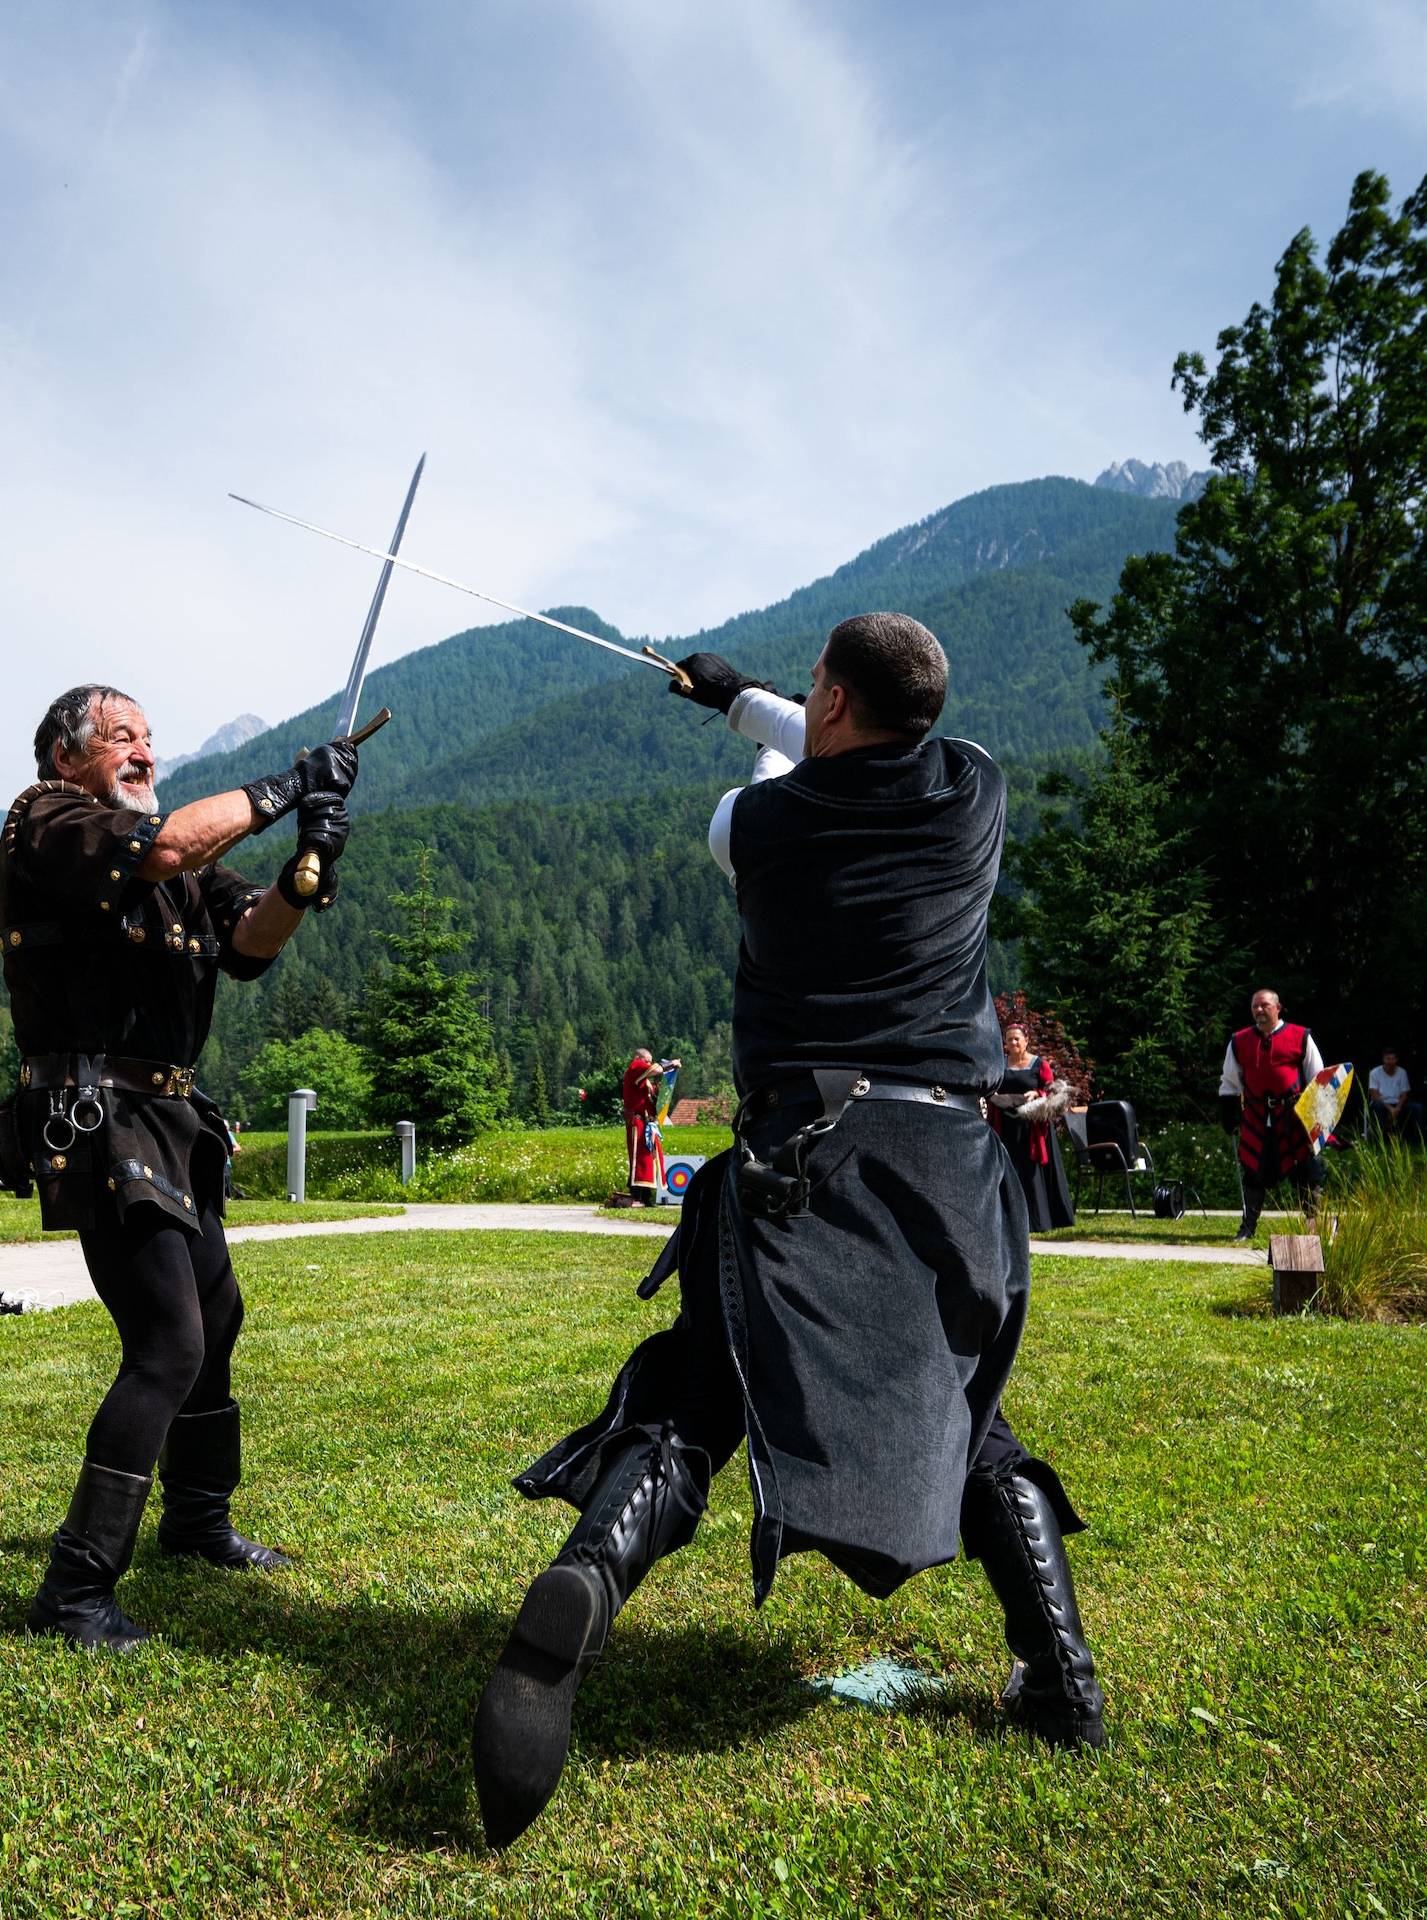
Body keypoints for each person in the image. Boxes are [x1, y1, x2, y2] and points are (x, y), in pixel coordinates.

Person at [471, 616, 1103, 1849]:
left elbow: (782, 777)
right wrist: (750, 697)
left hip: (810, 1156)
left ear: (832, 698)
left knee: (706, 1386)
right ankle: (1062, 1678)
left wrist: (735, 705)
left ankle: (591, 1574)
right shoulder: (974, 789)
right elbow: (846, 743)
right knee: (961, 1400)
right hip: (952, 1164)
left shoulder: (755, 825)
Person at [0, 683, 358, 1652]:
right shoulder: (49, 820)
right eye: (121, 737)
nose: (144, 752)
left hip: (170, 1119)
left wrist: (307, 869)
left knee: (217, 1317)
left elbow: (249, 943)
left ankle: (196, 1522)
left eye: (150, 738)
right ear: (68, 757)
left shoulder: (184, 864)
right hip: (98, 1116)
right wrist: (289, 786)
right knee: (168, 1345)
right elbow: (160, 849)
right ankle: (73, 1593)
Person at [1218, 988, 1326, 1242]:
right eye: (1255, 1006)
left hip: (1294, 1118)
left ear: (1278, 1008)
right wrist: (1229, 1116)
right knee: (1254, 1172)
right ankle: (1247, 1228)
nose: (1259, 1010)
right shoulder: (1240, 1040)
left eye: (1264, 1005)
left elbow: (1317, 1077)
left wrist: (1318, 1118)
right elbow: (1230, 1081)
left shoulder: (1300, 1036)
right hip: (1257, 1117)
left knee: (1307, 1172)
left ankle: (1314, 1226)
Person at [989, 1023, 1075, 1231]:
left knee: (1031, 1172)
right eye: (1009, 1039)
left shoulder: (1039, 1064)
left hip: (1032, 1127)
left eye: (1017, 1038)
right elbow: (991, 1087)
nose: (1013, 1042)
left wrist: (1037, 1094)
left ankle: (1037, 1220)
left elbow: (1053, 1091)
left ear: (1026, 1041)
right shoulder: (1000, 1064)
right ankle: (1009, 1218)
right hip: (1007, 1125)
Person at [620, 1051, 679, 1205]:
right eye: (646, 1061)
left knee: (650, 1160)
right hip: (637, 1121)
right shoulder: (634, 1067)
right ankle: (636, 1196)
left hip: (648, 1123)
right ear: (637, 1058)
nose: (648, 1064)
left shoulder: (645, 1081)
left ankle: (645, 1197)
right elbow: (657, 1069)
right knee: (640, 1160)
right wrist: (671, 1064)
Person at [1368, 1049, 1424, 1139]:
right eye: (1388, 1059)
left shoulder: (1402, 1072)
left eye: (1393, 1059)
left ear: (1397, 1060)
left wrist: (1397, 1108)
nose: (1391, 1061)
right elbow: (1375, 1096)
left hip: (1398, 1104)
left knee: (1418, 1107)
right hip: (1382, 1104)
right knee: (1377, 1106)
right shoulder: (1375, 1073)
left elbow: (1404, 1093)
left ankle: (1418, 1140)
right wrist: (1390, 1109)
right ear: (1383, 1060)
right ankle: (1378, 1139)